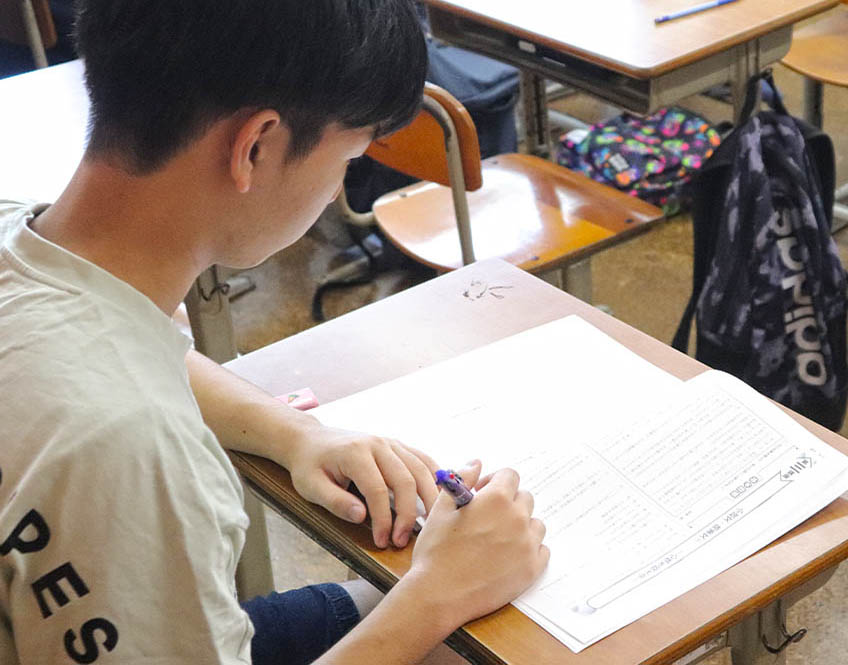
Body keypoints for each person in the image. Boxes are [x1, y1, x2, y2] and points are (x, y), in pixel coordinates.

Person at [0, 1, 549, 664]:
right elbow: (118, 408)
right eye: (347, 159)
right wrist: (438, 593)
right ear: (255, 146)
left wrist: (297, 433)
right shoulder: (133, 451)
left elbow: (123, 347)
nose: (335, 185)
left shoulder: (29, 238)